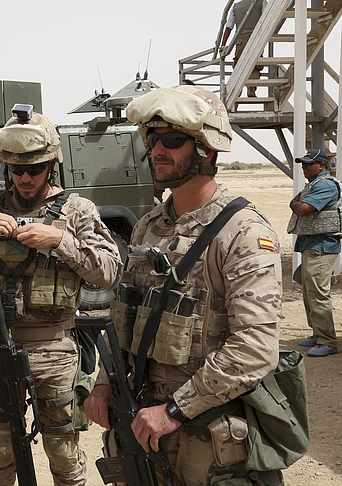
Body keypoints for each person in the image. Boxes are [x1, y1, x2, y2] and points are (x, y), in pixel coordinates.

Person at [84, 85, 284, 484]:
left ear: (208, 149)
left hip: (205, 433)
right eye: (152, 138)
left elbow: (255, 349)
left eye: (172, 140)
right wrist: (105, 383)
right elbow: (125, 313)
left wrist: (174, 410)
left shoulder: (242, 232)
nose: (157, 150)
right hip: (142, 424)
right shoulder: (148, 226)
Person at [0, 105, 121, 486]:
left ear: (52, 166)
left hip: (56, 352)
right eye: (17, 170)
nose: (26, 178)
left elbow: (109, 270)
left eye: (35, 169)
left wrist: (61, 241)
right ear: (6, 170)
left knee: (64, 456)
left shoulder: (77, 211)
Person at [288, 148, 342, 358]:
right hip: (312, 245)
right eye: (303, 164)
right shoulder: (314, 184)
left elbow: (303, 208)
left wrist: (293, 203)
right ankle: (318, 333)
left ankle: (328, 341)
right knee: (310, 292)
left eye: (308, 164)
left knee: (318, 295)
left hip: (321, 246)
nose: (304, 168)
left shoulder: (325, 185)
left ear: (321, 166)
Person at [219, 0, 268, 97]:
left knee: (239, 65)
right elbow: (267, 19)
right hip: (256, 40)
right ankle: (251, 89)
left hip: (240, 41)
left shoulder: (236, 6)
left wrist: (223, 44)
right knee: (255, 66)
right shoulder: (262, 2)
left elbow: (229, 26)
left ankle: (236, 91)